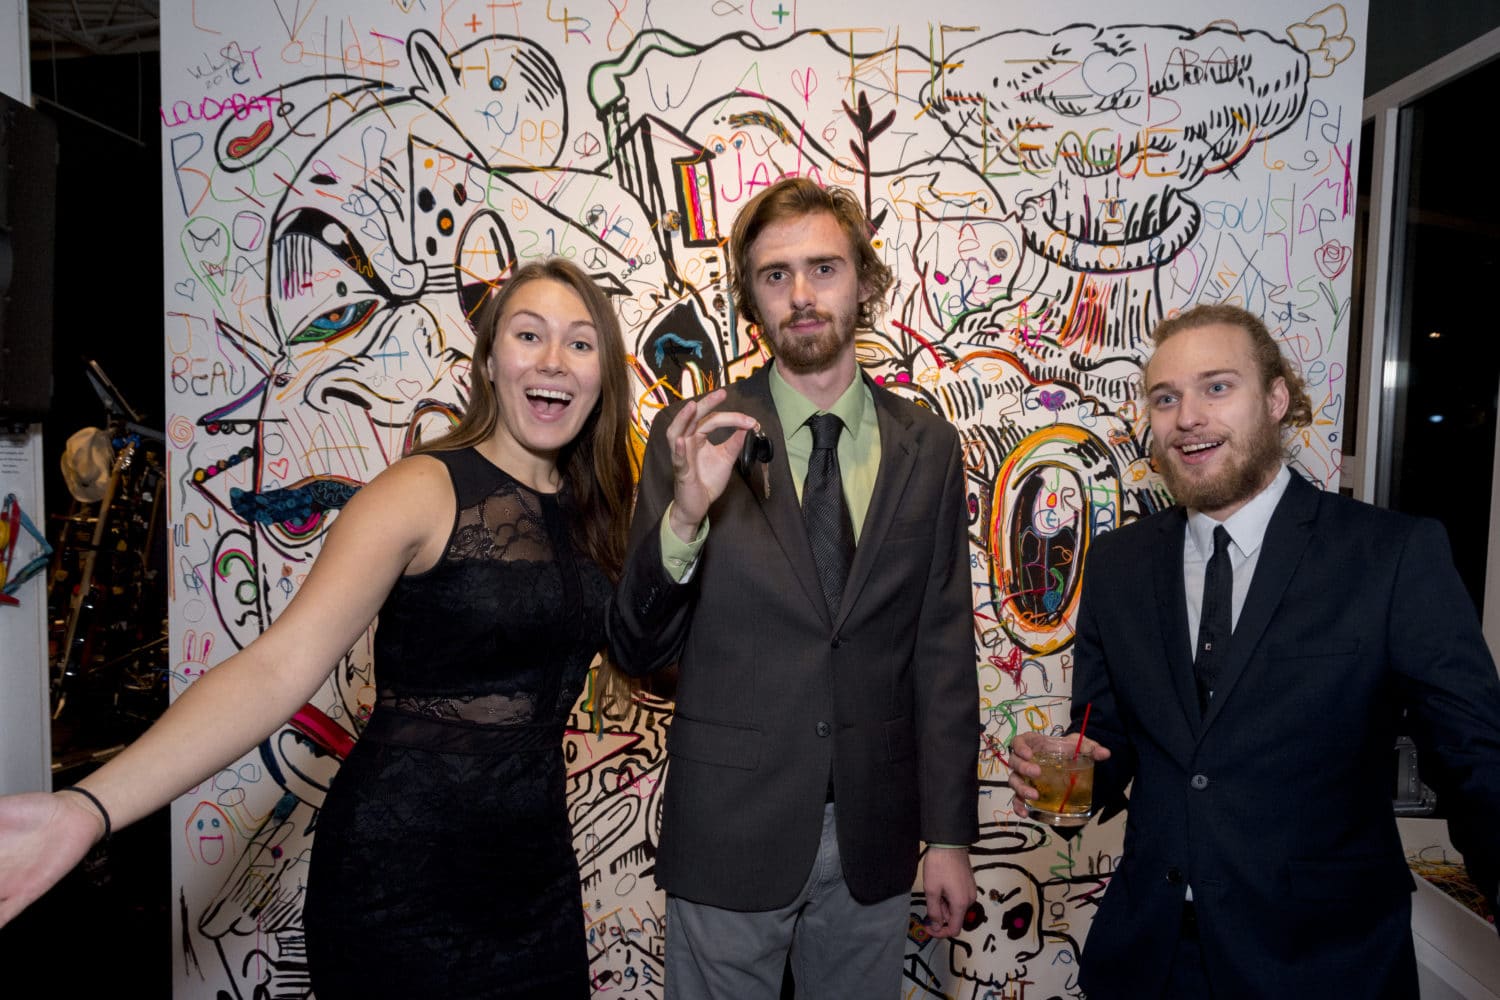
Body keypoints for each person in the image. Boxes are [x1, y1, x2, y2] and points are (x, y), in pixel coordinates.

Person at [0, 257, 635, 998]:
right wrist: (88, 807)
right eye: (529, 335)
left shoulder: (598, 513)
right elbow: (276, 668)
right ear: (490, 362)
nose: (554, 359)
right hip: (401, 881)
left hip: (535, 883)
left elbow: (650, 652)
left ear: (601, 375)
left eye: (580, 343)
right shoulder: (421, 489)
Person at [1008, 303, 1500, 999]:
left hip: (1324, 967)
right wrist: (1068, 772)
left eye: (1217, 387)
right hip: (1151, 963)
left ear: (1275, 400)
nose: (1187, 417)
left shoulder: (1389, 555)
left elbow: (1477, 759)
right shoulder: (1119, 564)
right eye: (1165, 397)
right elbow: (1107, 738)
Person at [608, 176, 979, 998]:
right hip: (728, 828)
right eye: (776, 275)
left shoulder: (927, 446)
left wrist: (950, 837)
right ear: (751, 299)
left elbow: (943, 650)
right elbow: (636, 645)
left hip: (876, 835)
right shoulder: (696, 436)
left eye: (824, 268)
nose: (802, 294)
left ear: (865, 283)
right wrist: (685, 515)